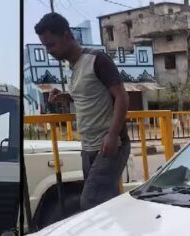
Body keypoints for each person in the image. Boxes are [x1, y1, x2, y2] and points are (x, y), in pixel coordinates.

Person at [35, 12, 131, 210]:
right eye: (45, 46)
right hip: (88, 146)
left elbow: (122, 97)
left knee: (91, 202)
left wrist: (113, 135)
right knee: (109, 204)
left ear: (66, 35)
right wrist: (65, 96)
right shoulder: (73, 68)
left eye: (51, 44)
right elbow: (89, 94)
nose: (49, 51)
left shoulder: (97, 60)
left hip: (109, 144)